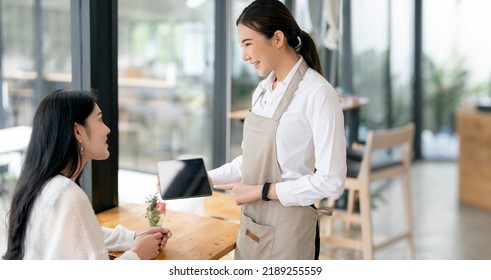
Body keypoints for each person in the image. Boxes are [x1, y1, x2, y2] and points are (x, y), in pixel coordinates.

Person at [208, 0, 346, 260]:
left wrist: (263, 191)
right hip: (253, 223)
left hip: (289, 231)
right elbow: (250, 161)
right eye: (241, 46)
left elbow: (332, 181)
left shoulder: (318, 94)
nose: (244, 56)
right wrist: (202, 179)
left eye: (248, 43)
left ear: (278, 38)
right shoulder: (262, 91)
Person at [2, 89, 171, 260]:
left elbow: (81, 234)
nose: (107, 129)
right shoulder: (67, 194)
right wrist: (137, 254)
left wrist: (133, 238)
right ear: (78, 132)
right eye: (99, 119)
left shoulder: (43, 186)